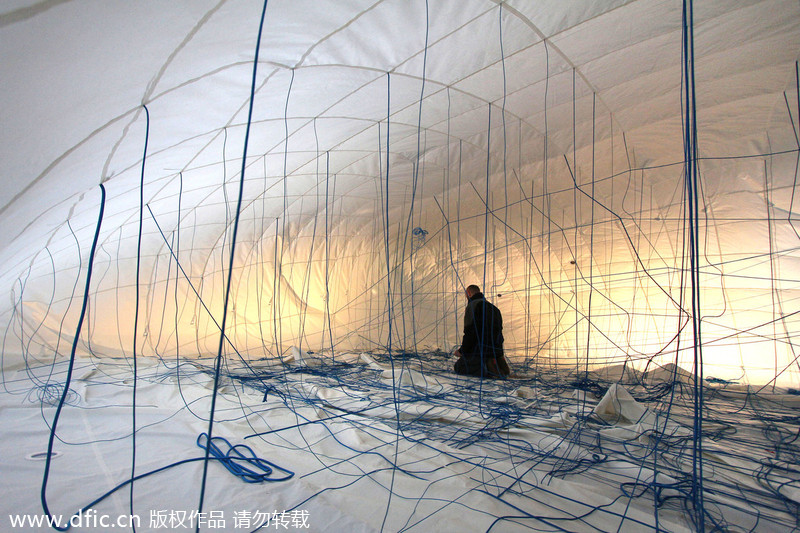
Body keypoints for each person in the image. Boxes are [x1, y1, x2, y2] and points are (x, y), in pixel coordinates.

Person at [453, 284, 510, 378]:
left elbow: (470, 333)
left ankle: (487, 369)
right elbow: (498, 332)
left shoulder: (472, 306)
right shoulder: (494, 308)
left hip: (480, 351)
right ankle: (496, 365)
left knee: (459, 367)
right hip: (496, 352)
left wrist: (462, 351)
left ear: (468, 293)